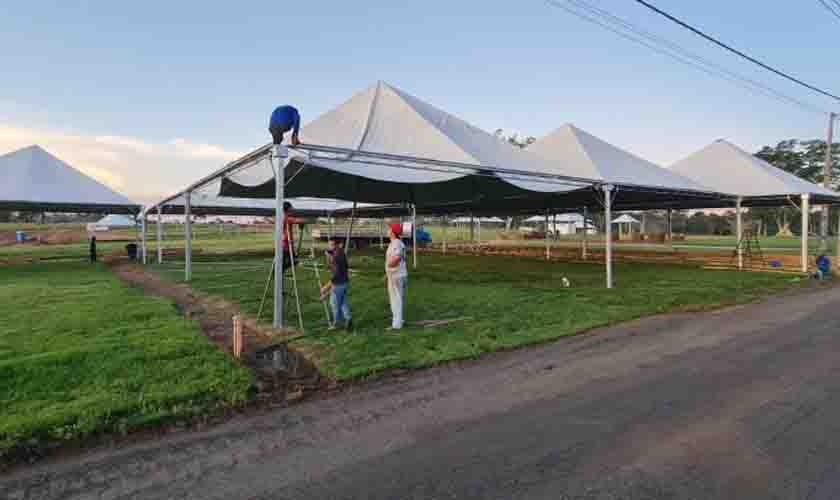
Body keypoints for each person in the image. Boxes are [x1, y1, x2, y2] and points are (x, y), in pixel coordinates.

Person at [320, 237, 352, 331]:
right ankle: (348, 319)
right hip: (345, 282)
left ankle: (337, 323)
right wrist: (329, 255)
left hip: (339, 283)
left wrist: (326, 288)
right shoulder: (341, 253)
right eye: (329, 245)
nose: (330, 247)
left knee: (334, 303)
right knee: (343, 302)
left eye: (332, 245)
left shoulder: (336, 257)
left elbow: (336, 275)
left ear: (338, 245)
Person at [385, 223, 408, 330]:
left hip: (396, 276)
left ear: (393, 232)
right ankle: (399, 320)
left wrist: (389, 266)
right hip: (397, 275)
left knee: (396, 300)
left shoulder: (396, 243)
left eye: (389, 229)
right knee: (398, 299)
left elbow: (397, 257)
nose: (388, 230)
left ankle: (397, 324)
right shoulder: (396, 242)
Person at [282, 201, 305, 273]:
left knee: (290, 260)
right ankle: (279, 270)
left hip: (285, 242)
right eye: (291, 209)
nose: (292, 211)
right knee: (294, 261)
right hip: (286, 242)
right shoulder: (287, 218)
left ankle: (279, 271)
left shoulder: (283, 217)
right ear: (288, 209)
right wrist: (303, 220)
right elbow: (299, 221)